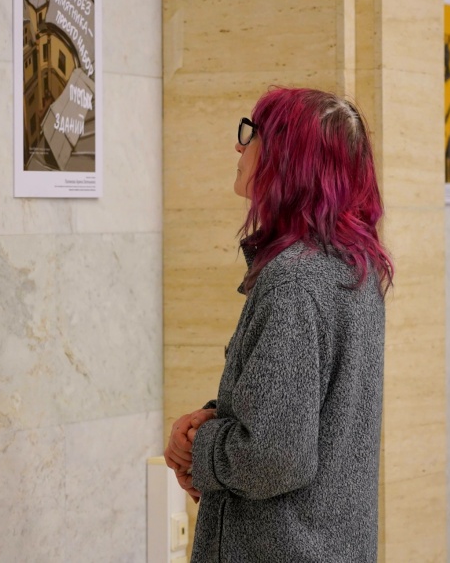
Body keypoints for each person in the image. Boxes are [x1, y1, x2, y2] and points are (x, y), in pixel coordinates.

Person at [164, 87, 394, 562]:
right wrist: (217, 418)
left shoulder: (294, 281)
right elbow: (308, 410)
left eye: (252, 134)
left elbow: (275, 457)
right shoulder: (352, 265)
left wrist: (199, 447)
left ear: (289, 161)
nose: (239, 146)